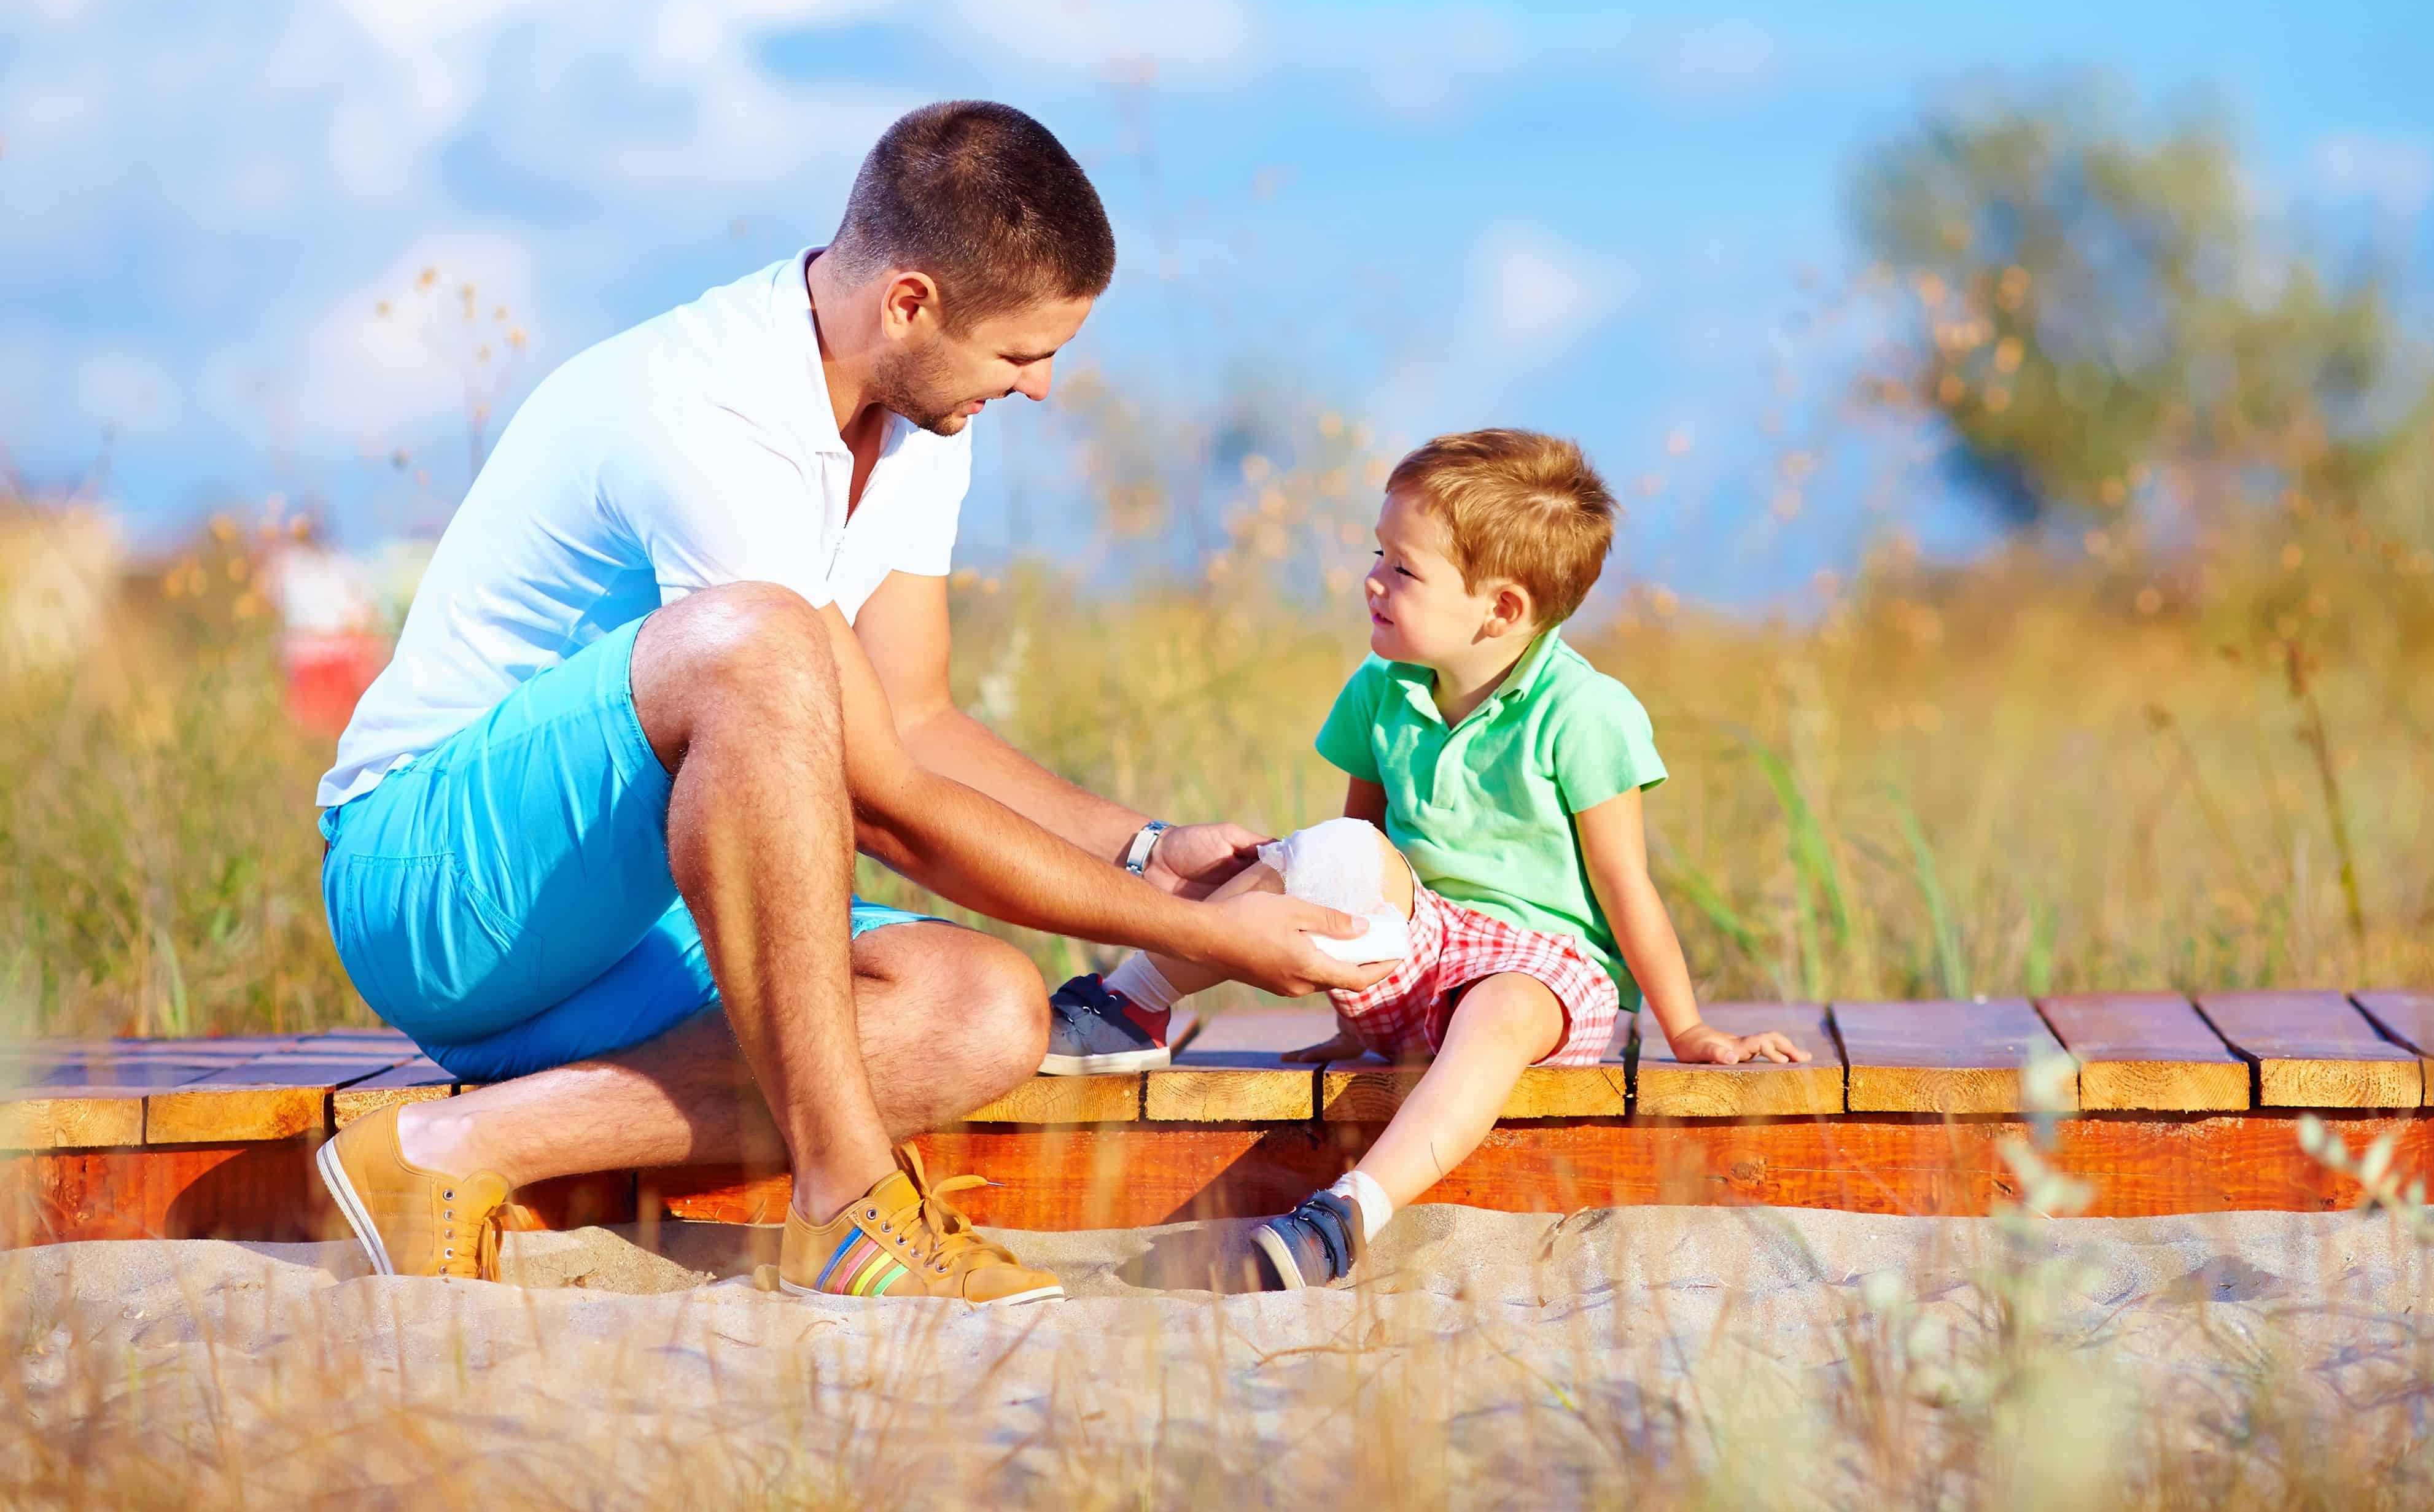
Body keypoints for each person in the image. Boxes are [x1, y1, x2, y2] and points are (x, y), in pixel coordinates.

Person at [311, 101, 1375, 1309]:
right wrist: (1200, 938)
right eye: (1021, 353)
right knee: (763, 646)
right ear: (910, 302)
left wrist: (1144, 852)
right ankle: (851, 1202)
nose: (1040, 388)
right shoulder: (718, 412)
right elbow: (881, 805)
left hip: (621, 922)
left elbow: (914, 724)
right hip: (439, 887)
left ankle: (454, 1154)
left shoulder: (920, 412)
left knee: (986, 1009)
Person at [1043, 428, 1800, 1289]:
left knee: (1505, 1006)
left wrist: (1688, 1027)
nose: (1372, 578)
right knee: (1318, 851)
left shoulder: (1585, 712)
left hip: (1547, 976)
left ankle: (1347, 1212)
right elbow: (1355, 851)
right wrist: (1347, 993)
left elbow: (1628, 886)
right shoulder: (1381, 687)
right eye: (1379, 553)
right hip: (1423, 946)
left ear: (1501, 609)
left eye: (1403, 570)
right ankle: (1130, 1001)